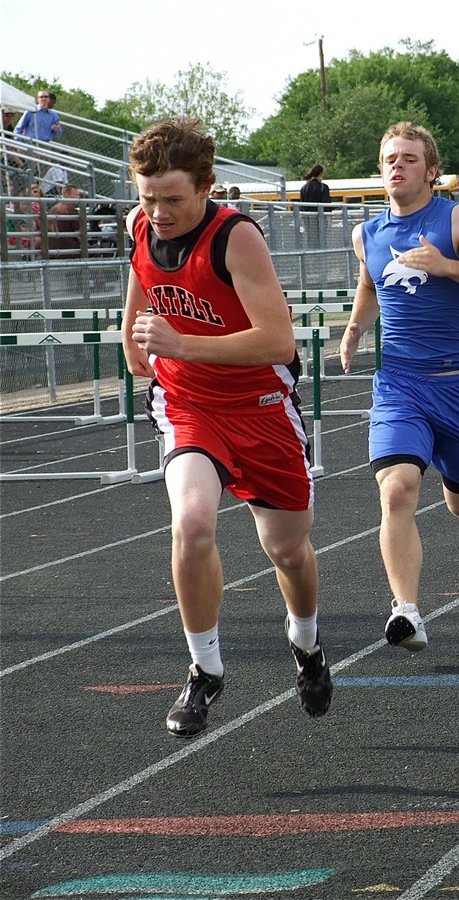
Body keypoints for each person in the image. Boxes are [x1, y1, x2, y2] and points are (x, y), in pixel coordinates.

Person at [120, 116, 331, 737]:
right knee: (190, 521)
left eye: (172, 200)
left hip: (261, 406)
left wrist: (180, 341)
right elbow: (140, 269)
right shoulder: (142, 224)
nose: (157, 211)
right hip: (188, 403)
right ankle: (205, 668)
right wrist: (134, 331)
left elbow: (276, 339)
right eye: (147, 196)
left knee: (288, 550)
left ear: (207, 188)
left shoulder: (237, 239)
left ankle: (307, 643)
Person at [338, 122, 459, 656]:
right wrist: (355, 329)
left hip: (458, 387)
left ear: (431, 171)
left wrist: (446, 266)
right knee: (397, 490)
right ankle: (407, 611)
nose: (398, 166)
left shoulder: (456, 218)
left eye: (409, 158)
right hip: (399, 385)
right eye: (390, 158)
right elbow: (370, 283)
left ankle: (451, 472)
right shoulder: (366, 234)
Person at [35, 184, 83, 257]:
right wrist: (87, 246)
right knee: (96, 251)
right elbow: (80, 234)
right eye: (76, 195)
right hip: (68, 250)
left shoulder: (53, 209)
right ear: (67, 195)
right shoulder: (70, 209)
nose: (78, 197)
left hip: (51, 251)